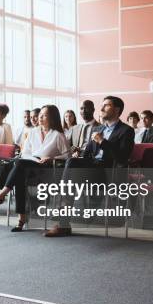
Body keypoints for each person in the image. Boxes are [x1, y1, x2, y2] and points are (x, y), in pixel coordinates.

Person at [45, 96, 135, 237]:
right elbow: (87, 154)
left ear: (117, 109)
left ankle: (63, 218)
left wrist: (103, 142)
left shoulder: (126, 131)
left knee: (70, 176)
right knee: (72, 165)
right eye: (102, 105)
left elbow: (122, 157)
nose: (102, 108)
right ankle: (64, 223)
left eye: (106, 105)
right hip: (91, 168)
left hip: (107, 172)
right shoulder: (98, 128)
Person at [0, 105, 70, 232]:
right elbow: (25, 152)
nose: (40, 117)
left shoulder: (58, 135)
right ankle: (20, 216)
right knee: (20, 173)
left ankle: (3, 196)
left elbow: (67, 155)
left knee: (19, 167)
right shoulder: (33, 132)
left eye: (45, 115)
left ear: (52, 118)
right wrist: (32, 159)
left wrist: (52, 158)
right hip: (30, 164)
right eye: (40, 114)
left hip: (46, 170)